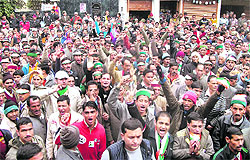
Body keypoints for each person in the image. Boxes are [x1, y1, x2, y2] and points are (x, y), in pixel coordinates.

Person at [46, 95, 83, 159]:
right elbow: (49, 138)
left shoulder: (78, 118)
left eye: (64, 106)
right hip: (57, 152)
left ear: (69, 105)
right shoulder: (52, 118)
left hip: (72, 154)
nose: (61, 108)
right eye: (59, 106)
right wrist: (50, 156)